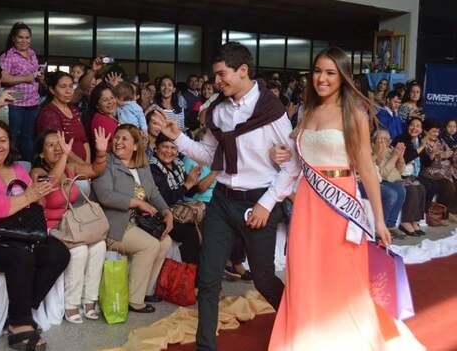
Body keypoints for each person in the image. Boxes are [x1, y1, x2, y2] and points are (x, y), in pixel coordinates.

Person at [268, 47, 423, 350]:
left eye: (330, 72)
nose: (322, 78)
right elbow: (296, 160)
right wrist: (279, 154)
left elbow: (366, 168)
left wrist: (379, 220)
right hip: (308, 204)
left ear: (343, 77)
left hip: (340, 206)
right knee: (303, 273)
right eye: (317, 71)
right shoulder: (306, 111)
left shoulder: (354, 114)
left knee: (340, 277)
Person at [152, 42, 299, 351]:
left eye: (222, 74)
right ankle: (206, 347)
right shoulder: (218, 110)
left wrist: (266, 203)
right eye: (215, 75)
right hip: (222, 200)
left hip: (259, 201)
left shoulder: (271, 110)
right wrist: (176, 135)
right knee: (207, 279)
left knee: (263, 279)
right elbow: (208, 154)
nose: (216, 82)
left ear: (242, 71)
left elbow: (292, 166)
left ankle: (299, 323)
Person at [0, 120, 70, 350]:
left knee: (58, 253)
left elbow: (39, 200)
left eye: (3, 140)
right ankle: (20, 324)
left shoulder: (17, 169)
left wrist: (35, 194)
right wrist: (28, 197)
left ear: (10, 143)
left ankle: (21, 310)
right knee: (22, 255)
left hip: (18, 234)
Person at [30, 128, 109, 324]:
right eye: (51, 145)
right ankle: (71, 303)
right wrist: (65, 155)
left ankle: (89, 300)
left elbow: (95, 170)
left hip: (72, 225)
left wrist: (100, 152)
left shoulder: (69, 167)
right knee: (80, 250)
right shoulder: (37, 172)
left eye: (60, 143)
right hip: (50, 229)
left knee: (100, 246)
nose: (58, 148)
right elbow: (52, 182)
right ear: (41, 153)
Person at [92, 124, 173, 313]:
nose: (118, 142)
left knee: (165, 241)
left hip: (137, 224)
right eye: (116, 138)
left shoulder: (142, 167)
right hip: (114, 226)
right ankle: (134, 300)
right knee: (150, 245)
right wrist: (137, 203)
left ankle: (144, 291)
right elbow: (105, 196)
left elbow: (154, 193)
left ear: (136, 146)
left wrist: (167, 212)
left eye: (124, 139)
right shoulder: (106, 164)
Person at [150, 134, 202, 265]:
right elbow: (165, 199)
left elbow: (188, 193)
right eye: (165, 147)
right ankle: (187, 277)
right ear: (156, 148)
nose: (169, 151)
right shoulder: (153, 167)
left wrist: (193, 181)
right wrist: (188, 184)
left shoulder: (177, 164)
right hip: (159, 213)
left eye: (173, 148)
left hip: (177, 211)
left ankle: (198, 275)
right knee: (190, 235)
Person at [0, 22, 45, 162]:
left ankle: (28, 164)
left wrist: (40, 76)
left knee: (28, 134)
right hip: (16, 100)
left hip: (33, 100)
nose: (24, 41)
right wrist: (27, 77)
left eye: (27, 37)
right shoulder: (8, 55)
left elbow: (34, 75)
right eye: (21, 37)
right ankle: (7, 162)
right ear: (14, 38)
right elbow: (4, 78)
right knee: (13, 134)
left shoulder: (32, 54)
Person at [36, 71, 90, 163]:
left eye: (71, 86)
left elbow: (84, 140)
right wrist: (84, 166)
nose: (69, 91)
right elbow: (59, 148)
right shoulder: (49, 114)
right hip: (64, 168)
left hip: (83, 167)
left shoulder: (74, 110)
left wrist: (88, 163)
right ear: (52, 90)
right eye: (63, 87)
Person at [392, 117, 433, 235]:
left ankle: (414, 221)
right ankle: (405, 222)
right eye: (412, 125)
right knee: (412, 190)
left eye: (418, 126)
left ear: (421, 130)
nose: (414, 128)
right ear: (408, 126)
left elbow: (425, 163)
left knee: (421, 188)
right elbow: (405, 159)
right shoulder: (401, 139)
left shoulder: (419, 141)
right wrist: (421, 147)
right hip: (399, 174)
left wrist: (432, 154)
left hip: (412, 175)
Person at [87, 83, 118, 151]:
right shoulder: (100, 120)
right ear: (97, 105)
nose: (110, 102)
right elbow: (118, 143)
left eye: (112, 98)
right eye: (105, 100)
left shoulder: (110, 116)